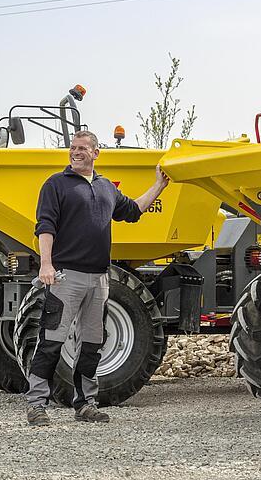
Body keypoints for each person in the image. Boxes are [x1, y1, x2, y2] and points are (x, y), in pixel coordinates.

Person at [25, 129, 169, 425]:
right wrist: (46, 265)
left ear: (95, 152)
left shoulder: (106, 188)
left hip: (99, 279)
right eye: (72, 148)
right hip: (66, 278)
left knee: (92, 344)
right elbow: (45, 227)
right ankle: (36, 404)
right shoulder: (56, 185)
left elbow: (134, 210)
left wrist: (159, 185)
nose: (75, 152)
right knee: (51, 341)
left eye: (81, 148)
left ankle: (85, 404)